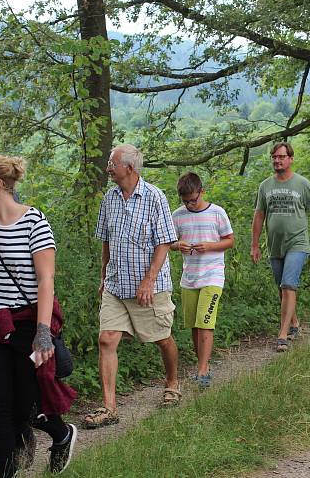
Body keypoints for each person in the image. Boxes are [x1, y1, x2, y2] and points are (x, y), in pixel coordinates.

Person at [0, 154, 77, 477]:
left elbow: (46, 281)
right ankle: (6, 473)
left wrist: (43, 332)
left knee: (27, 407)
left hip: (29, 324)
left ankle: (61, 435)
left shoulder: (34, 223)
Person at [84, 144, 181, 428]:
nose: (108, 167)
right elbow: (105, 239)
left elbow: (165, 241)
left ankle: (173, 382)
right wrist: (103, 276)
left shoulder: (154, 197)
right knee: (107, 339)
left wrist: (149, 279)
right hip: (116, 285)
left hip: (148, 286)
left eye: (112, 163)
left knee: (162, 338)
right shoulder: (109, 198)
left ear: (129, 167)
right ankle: (109, 407)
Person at [251, 142, 310, 352]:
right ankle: (295, 323)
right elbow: (259, 215)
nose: (277, 160)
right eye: (274, 157)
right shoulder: (265, 186)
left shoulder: (302, 184)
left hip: (298, 243)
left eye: (281, 157)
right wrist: (255, 245)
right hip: (275, 245)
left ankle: (282, 335)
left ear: (290, 159)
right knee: (282, 288)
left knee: (289, 284)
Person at [170, 173, 234, 388]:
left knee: (206, 323)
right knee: (194, 326)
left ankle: (203, 370)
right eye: (185, 200)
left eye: (193, 199)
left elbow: (230, 241)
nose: (190, 204)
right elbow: (168, 242)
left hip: (213, 276)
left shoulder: (217, 213)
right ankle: (202, 365)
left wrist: (210, 246)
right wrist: (179, 245)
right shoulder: (177, 216)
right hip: (189, 278)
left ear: (202, 192)